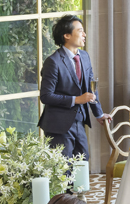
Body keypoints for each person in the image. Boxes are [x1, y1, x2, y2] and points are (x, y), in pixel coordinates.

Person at [39, 15, 112, 158]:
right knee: (64, 167)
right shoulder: (53, 62)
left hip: (80, 121)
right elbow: (46, 96)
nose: (84, 34)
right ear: (66, 35)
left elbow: (91, 89)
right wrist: (76, 99)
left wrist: (99, 114)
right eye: (80, 31)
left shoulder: (84, 56)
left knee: (83, 162)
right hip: (58, 125)